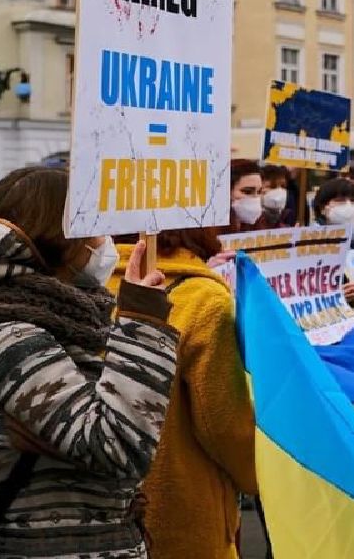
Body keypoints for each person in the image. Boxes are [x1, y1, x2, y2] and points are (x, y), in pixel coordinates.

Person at [0, 166, 178, 556]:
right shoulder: (12, 337)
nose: (105, 243)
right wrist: (142, 323)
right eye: (95, 228)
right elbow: (119, 446)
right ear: (62, 237)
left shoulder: (48, 319)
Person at [108, 227, 257, 559]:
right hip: (184, 521)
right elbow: (223, 425)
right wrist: (259, 475)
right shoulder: (204, 300)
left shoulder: (84, 286)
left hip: (97, 523)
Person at [225, 159, 266, 233]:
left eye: (259, 192)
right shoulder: (208, 232)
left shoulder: (259, 227)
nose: (255, 198)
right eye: (247, 192)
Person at [258, 163, 296, 229]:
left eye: (282, 186)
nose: (279, 191)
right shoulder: (251, 220)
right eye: (272, 187)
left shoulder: (288, 214)